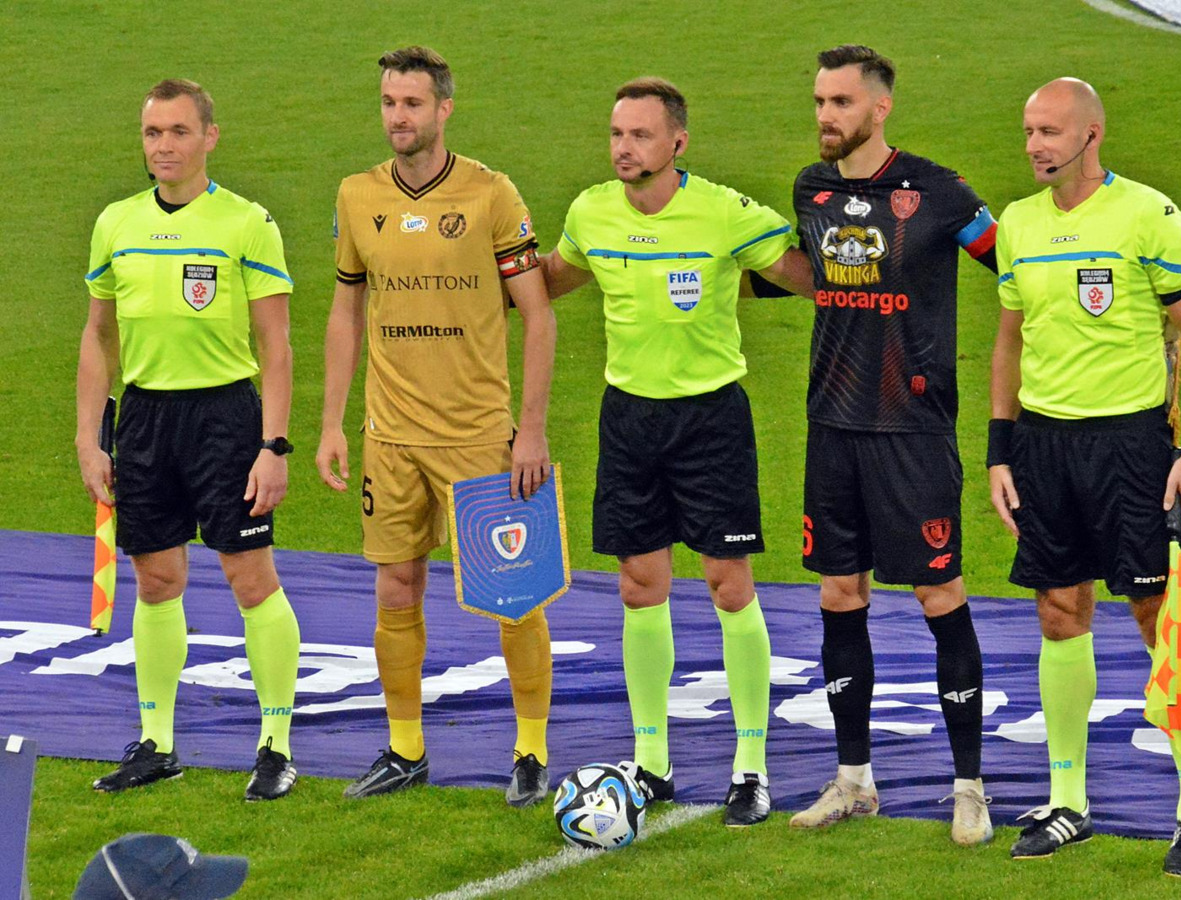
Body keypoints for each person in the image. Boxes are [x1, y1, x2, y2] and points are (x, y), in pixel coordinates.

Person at [541, 77, 811, 827]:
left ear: (677, 143)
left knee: (729, 585)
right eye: (617, 134)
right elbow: (551, 279)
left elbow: (807, 276)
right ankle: (652, 762)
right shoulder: (591, 212)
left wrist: (879, 270)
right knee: (638, 586)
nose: (624, 148)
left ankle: (750, 766)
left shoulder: (723, 212)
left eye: (640, 135)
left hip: (709, 421)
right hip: (628, 420)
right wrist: (454, 283)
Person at [988, 77, 1181, 875]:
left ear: (1092, 134)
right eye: (1028, 132)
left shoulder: (1148, 215)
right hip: (1044, 446)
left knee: (1161, 617)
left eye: (1049, 132)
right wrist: (999, 451)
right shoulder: (1019, 223)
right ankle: (1068, 802)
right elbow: (1010, 341)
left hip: (1132, 448)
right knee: (1059, 611)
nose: (1034, 146)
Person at [317, 46, 557, 807]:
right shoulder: (357, 196)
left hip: (478, 436)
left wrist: (530, 429)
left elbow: (539, 316)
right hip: (390, 436)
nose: (399, 117)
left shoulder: (491, 194)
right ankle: (406, 749)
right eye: (390, 102)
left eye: (413, 103)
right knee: (395, 586)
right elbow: (346, 312)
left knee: (514, 593)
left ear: (444, 109)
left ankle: (530, 750)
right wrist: (332, 424)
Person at [773, 46, 999, 844]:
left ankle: (969, 788)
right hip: (833, 427)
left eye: (840, 102)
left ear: (880, 107)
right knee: (840, 597)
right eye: (819, 101)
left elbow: (1012, 265)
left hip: (913, 430)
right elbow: (807, 273)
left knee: (940, 597)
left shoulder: (940, 191)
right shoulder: (811, 187)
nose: (825, 116)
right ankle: (853, 781)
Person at [76, 79, 301, 802]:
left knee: (250, 579)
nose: (164, 146)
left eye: (179, 131)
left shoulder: (246, 223)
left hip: (224, 419)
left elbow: (276, 345)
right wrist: (89, 437)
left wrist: (273, 446)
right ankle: (158, 744)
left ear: (210, 136)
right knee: (157, 581)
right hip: (144, 421)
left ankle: (275, 747)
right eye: (153, 133)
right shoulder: (116, 223)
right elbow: (98, 336)